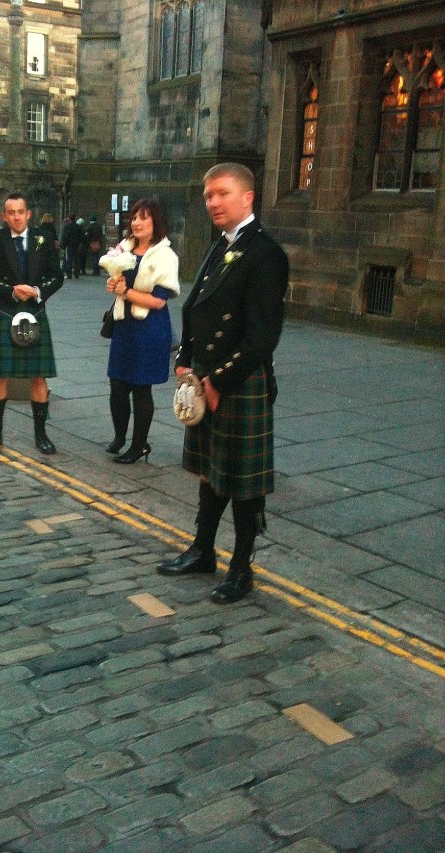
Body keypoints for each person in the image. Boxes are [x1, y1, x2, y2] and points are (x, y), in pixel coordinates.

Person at [157, 163, 289, 604]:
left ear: (247, 197)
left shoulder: (265, 253)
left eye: (222, 193)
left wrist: (218, 381)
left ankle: (241, 569)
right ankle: (202, 550)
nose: (212, 202)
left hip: (239, 380)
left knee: (243, 484)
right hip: (205, 376)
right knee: (211, 472)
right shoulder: (221, 244)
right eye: (208, 195)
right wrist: (186, 361)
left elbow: (262, 337)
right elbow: (196, 306)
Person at [0, 192, 64, 455]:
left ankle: (41, 435)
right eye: (11, 212)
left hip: (35, 312)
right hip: (5, 311)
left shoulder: (43, 238)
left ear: (28, 214)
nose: (16, 217)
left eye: (20, 212)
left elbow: (57, 276)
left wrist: (37, 291)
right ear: (4, 216)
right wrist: (12, 291)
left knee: (39, 376)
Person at [105, 199, 180, 464]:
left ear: (155, 222)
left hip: (149, 329)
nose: (136, 222)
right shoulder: (124, 248)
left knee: (140, 388)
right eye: (134, 217)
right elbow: (118, 282)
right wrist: (114, 284)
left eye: (143, 217)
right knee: (117, 385)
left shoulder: (165, 256)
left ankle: (139, 446)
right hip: (124, 326)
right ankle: (119, 437)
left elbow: (159, 301)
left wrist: (125, 291)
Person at [60, 213, 83, 279]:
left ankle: (69, 274)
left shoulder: (67, 226)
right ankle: (76, 273)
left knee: (68, 260)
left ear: (69, 218)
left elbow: (64, 236)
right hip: (76, 245)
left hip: (69, 245)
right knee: (76, 260)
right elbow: (81, 237)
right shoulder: (78, 227)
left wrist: (63, 244)